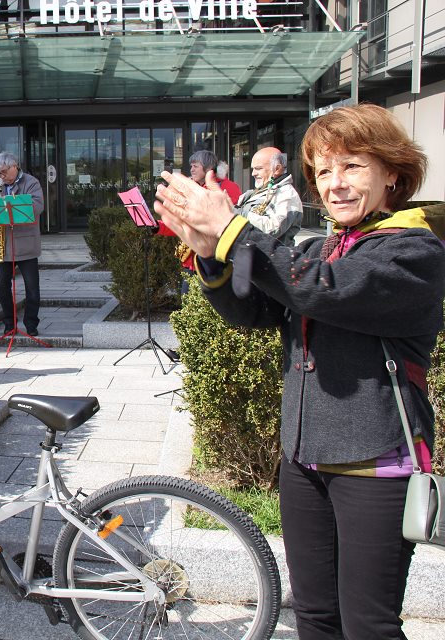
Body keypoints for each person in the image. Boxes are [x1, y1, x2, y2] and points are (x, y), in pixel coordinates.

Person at [153, 103, 445, 639]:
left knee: (368, 625)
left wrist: (232, 228)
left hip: (374, 464)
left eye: (353, 166)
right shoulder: (326, 245)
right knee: (312, 615)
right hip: (304, 459)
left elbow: (319, 288)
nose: (335, 184)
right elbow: (255, 311)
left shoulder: (413, 250)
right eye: (324, 170)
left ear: (393, 175)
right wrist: (209, 254)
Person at [0, 151, 44, 336]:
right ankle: (9, 324)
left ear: (15, 166)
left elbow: (38, 207)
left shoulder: (31, 183)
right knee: (2, 288)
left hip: (26, 245)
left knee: (32, 289)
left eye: (4, 171)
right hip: (3, 246)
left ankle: (31, 324)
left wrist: (13, 206)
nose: (1, 176)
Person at [235, 146, 303, 245]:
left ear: (277, 169)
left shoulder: (287, 194)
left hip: (271, 258)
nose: (253, 173)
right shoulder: (258, 191)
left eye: (258, 168)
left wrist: (240, 213)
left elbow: (273, 229)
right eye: (253, 169)